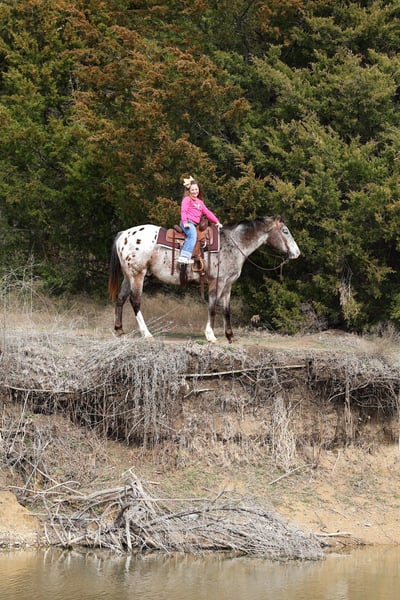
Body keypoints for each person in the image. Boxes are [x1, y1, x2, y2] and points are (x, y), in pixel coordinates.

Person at [177, 176, 223, 264]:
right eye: (192, 190)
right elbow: (183, 211)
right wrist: (185, 222)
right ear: (189, 191)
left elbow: (207, 213)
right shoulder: (187, 199)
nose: (195, 191)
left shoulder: (200, 202)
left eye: (196, 189)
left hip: (194, 224)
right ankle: (184, 257)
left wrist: (217, 221)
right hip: (187, 222)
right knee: (192, 236)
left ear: (199, 190)